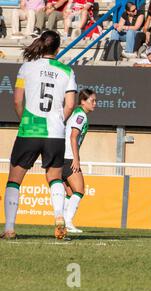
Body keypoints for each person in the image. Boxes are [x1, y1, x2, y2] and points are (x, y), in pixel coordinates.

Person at [1, 30, 77, 240]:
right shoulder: (67, 71)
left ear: (41, 45)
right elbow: (70, 104)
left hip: (30, 129)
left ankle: (9, 228)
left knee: (15, 180)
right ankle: (59, 218)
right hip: (55, 132)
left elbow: (17, 101)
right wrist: (59, 121)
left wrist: (24, 119)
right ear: (58, 48)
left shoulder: (26, 68)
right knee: (54, 178)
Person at [63, 89, 96, 233]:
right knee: (80, 190)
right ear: (83, 101)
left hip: (61, 156)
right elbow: (73, 136)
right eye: (92, 100)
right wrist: (76, 159)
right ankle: (68, 222)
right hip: (68, 157)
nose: (95, 103)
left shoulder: (76, 113)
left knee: (70, 193)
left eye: (95, 101)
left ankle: (62, 222)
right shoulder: (81, 115)